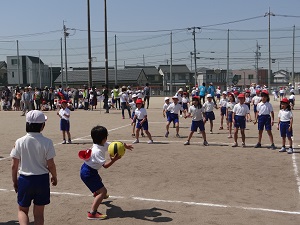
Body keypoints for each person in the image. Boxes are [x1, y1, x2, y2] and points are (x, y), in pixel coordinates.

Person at [10, 110, 57, 225]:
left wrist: (15, 181)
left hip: (25, 179)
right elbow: (50, 164)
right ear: (42, 126)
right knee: (39, 214)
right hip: (41, 179)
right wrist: (54, 176)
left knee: (22, 210)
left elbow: (14, 165)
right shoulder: (47, 142)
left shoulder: (20, 141)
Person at [80, 125, 133, 220]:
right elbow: (105, 166)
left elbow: (114, 144)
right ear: (104, 138)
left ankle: (97, 193)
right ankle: (92, 213)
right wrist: (114, 160)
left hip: (88, 170)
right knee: (103, 192)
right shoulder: (97, 151)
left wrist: (125, 145)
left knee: (99, 180)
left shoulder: (101, 144)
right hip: (88, 172)